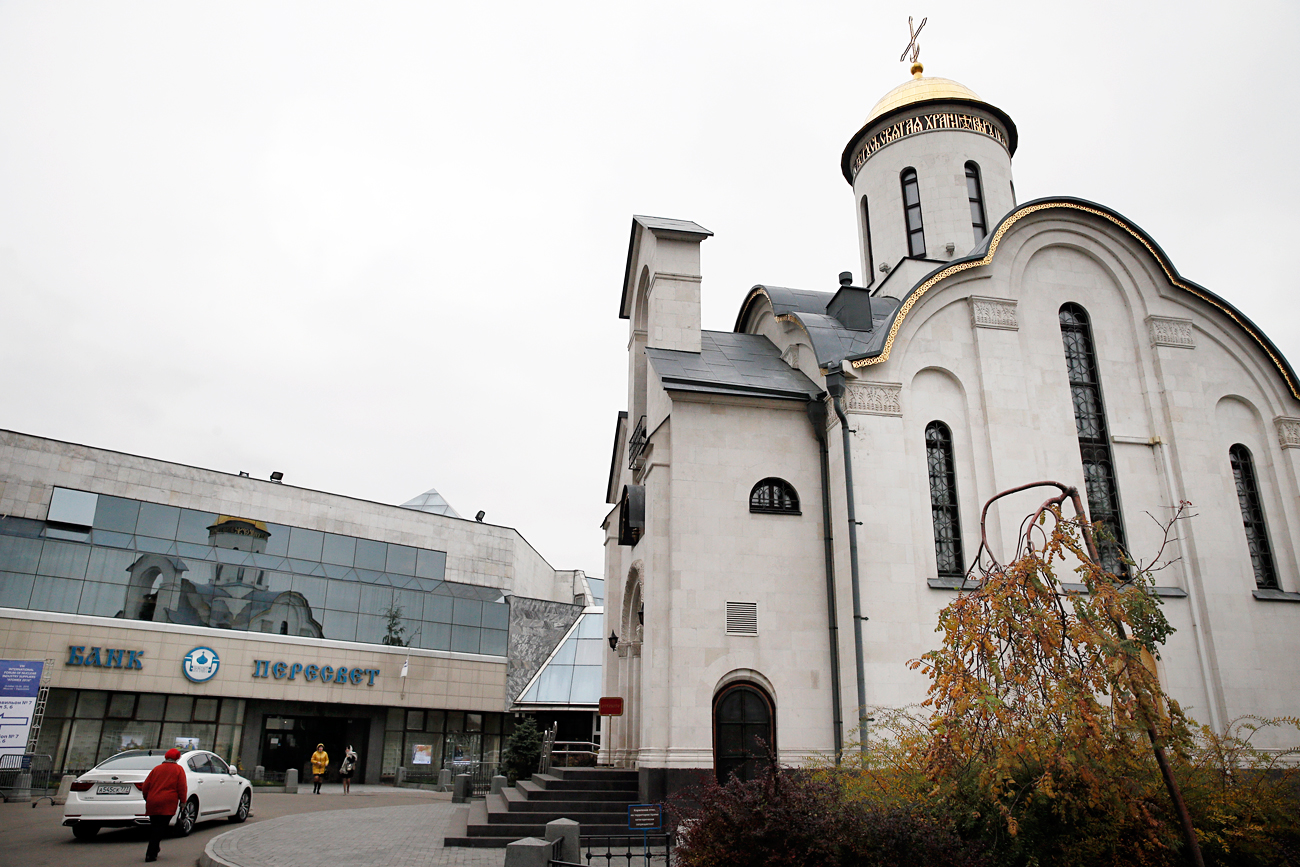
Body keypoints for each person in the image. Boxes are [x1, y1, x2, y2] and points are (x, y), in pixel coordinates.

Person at [140, 748, 188, 863]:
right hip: (168, 802)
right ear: (177, 758)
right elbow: (182, 787)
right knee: (161, 828)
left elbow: (145, 786)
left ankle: (154, 849)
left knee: (155, 827)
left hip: (153, 801)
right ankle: (150, 853)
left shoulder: (156, 769)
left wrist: (147, 798)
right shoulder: (178, 770)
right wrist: (183, 802)